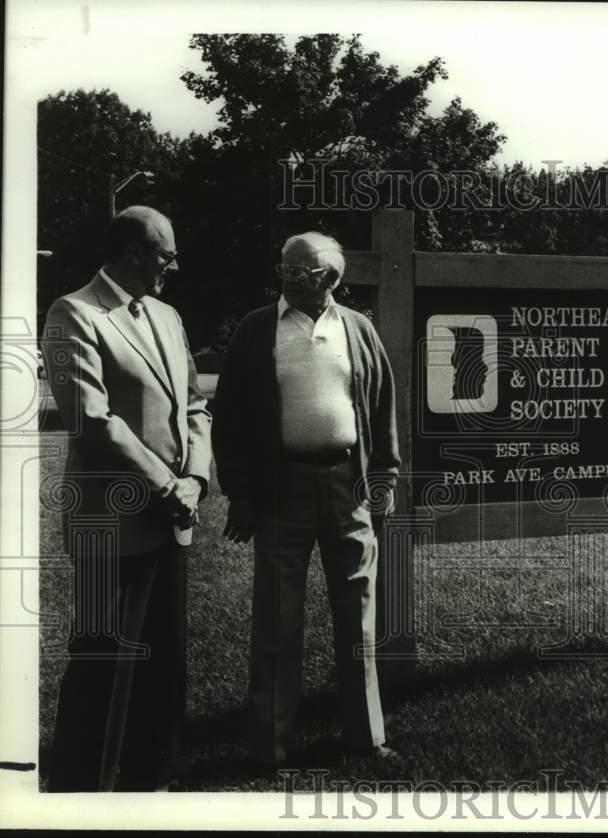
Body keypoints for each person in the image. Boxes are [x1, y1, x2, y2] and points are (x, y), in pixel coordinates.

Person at [212, 231, 400, 766]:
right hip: (281, 491)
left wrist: (383, 478)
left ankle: (366, 738)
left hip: (350, 487)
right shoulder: (256, 330)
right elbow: (228, 420)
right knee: (277, 619)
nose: (288, 276)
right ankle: (268, 747)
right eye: (285, 266)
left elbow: (382, 404)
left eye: (302, 270)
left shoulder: (358, 330)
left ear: (331, 279)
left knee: (358, 615)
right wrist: (241, 495)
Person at [41, 206, 211, 791]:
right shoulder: (73, 312)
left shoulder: (167, 315)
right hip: (105, 526)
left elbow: (194, 406)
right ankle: (76, 796)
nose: (174, 265)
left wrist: (196, 480)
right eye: (166, 254)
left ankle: (151, 785)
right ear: (135, 252)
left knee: (164, 664)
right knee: (97, 664)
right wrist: (167, 485)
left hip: (171, 520)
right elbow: (91, 421)